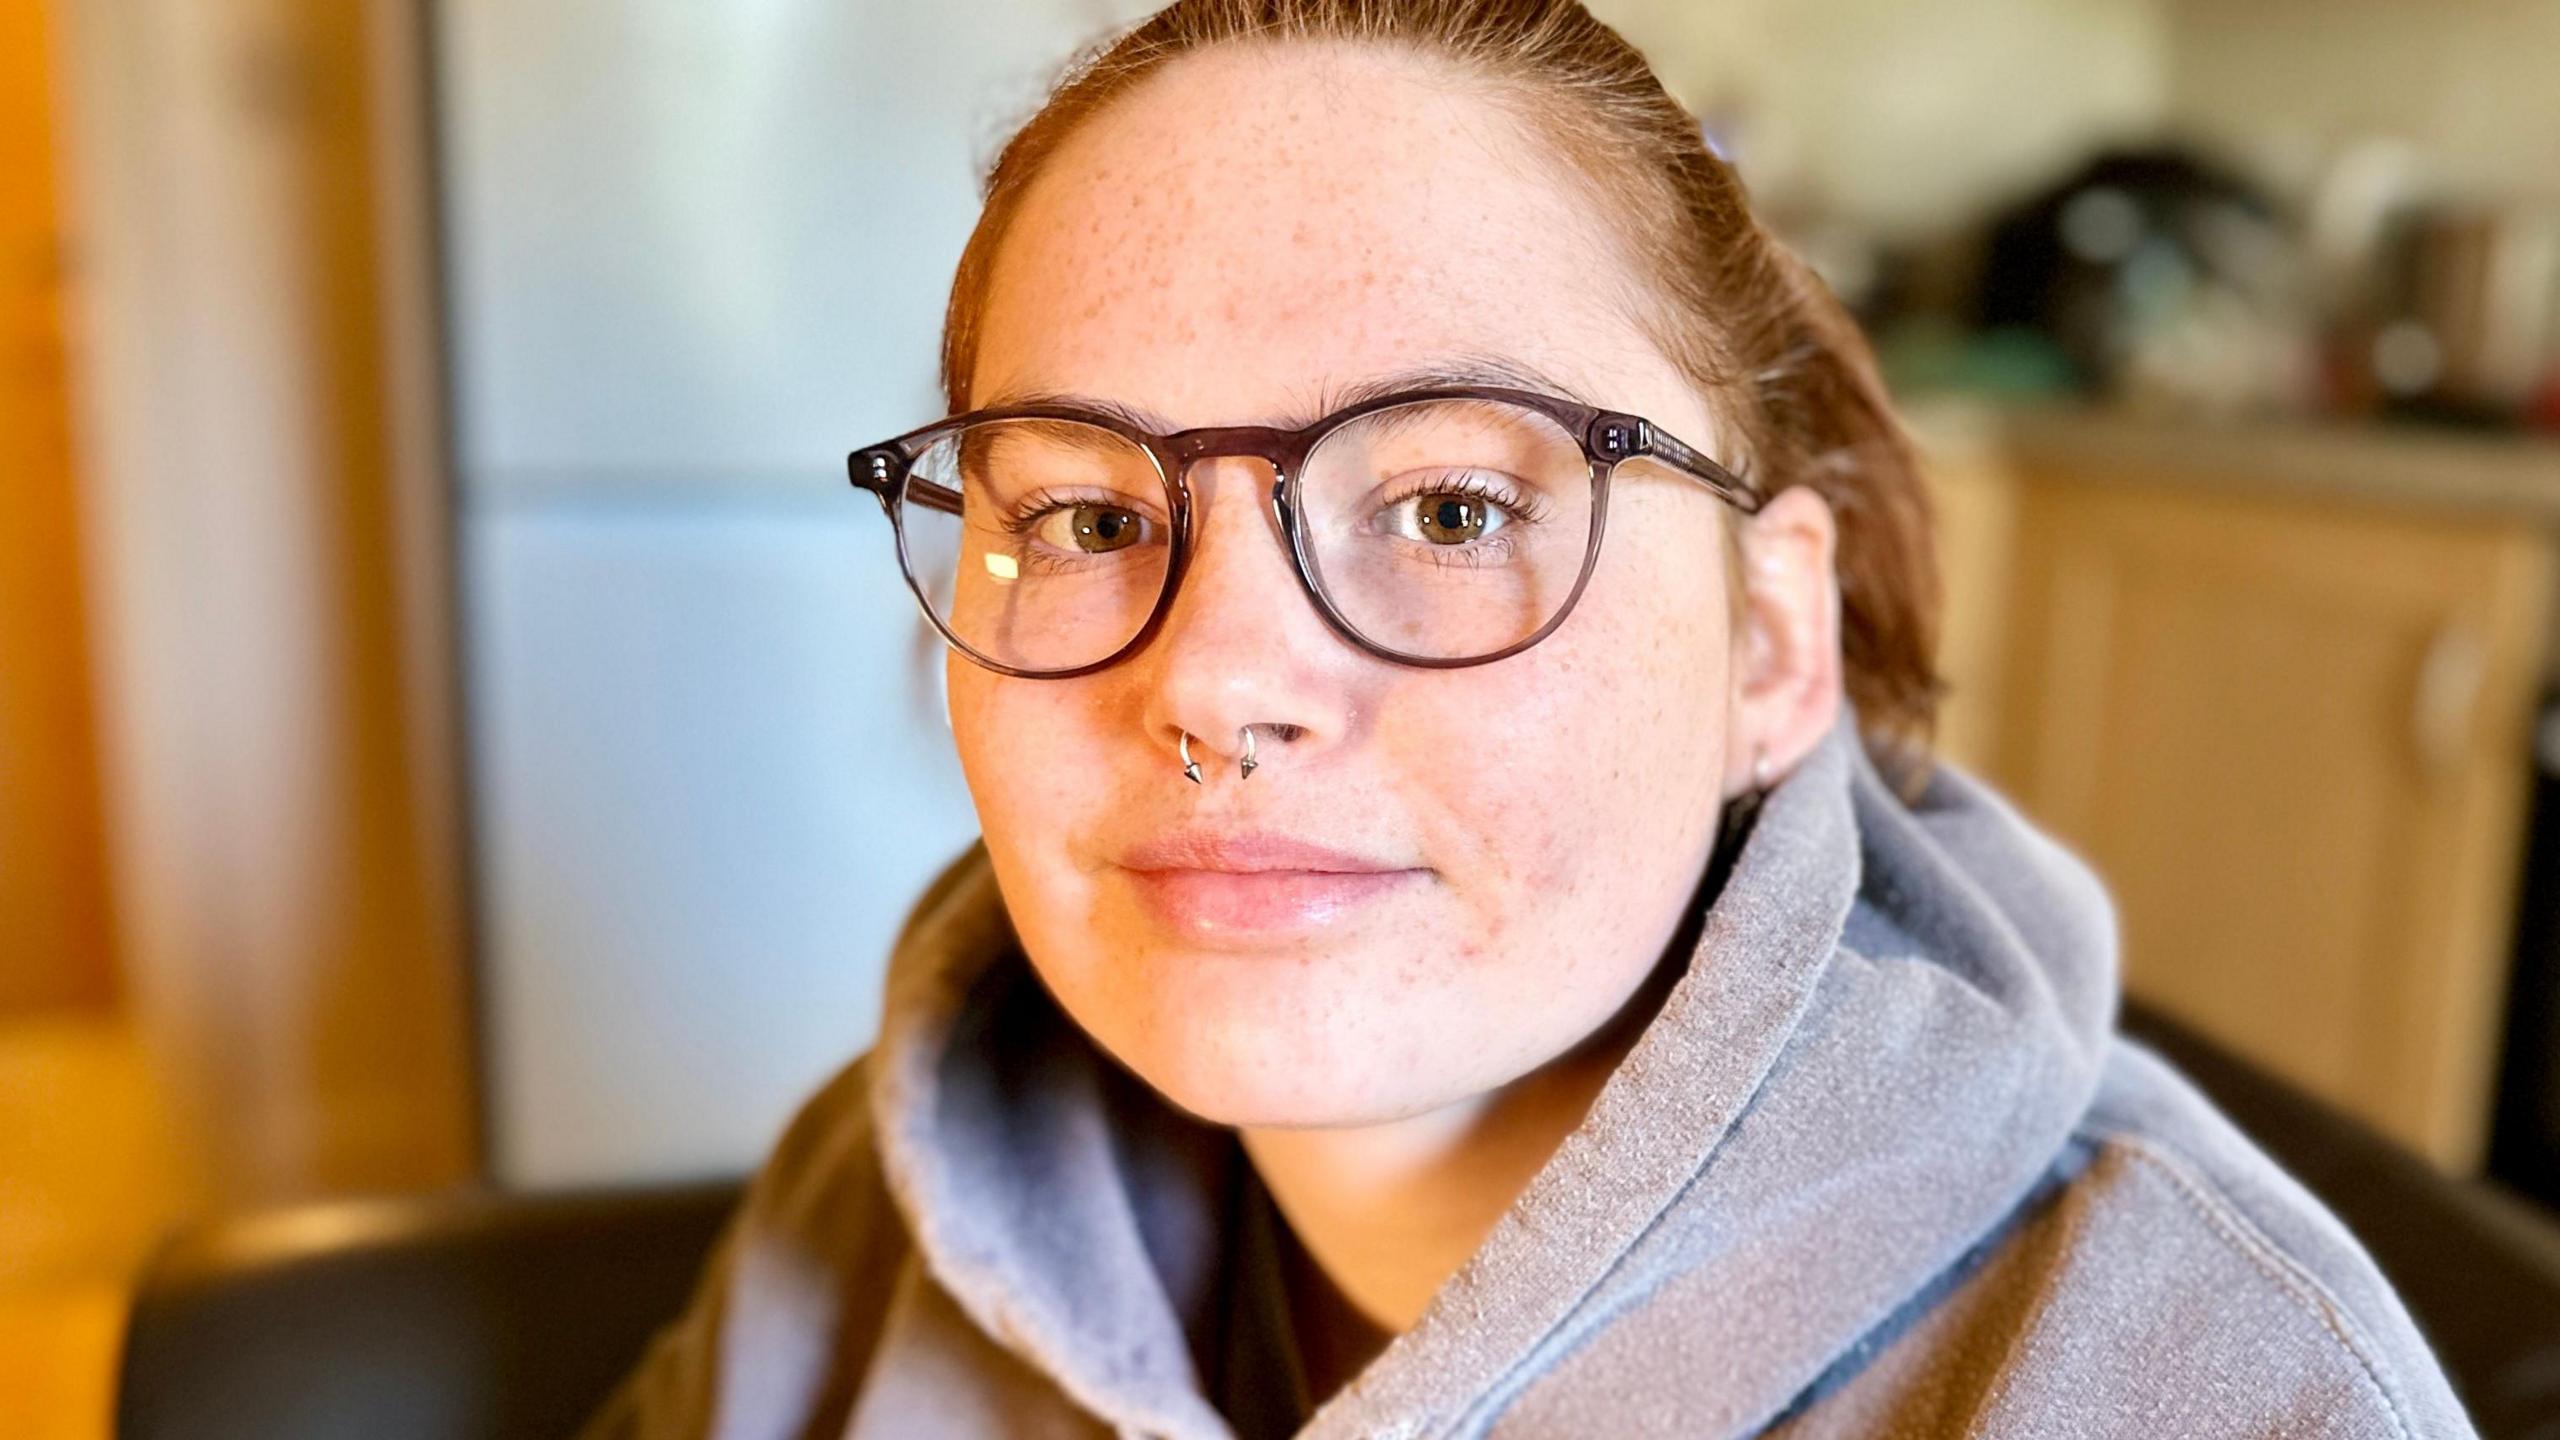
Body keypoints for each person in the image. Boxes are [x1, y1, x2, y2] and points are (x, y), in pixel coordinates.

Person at [583, 2, 2476, 1436]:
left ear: (1769, 646)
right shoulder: (902, 1185)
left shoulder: (2201, 1390)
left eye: (1453, 510)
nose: (1221, 681)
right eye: (1085, 516)